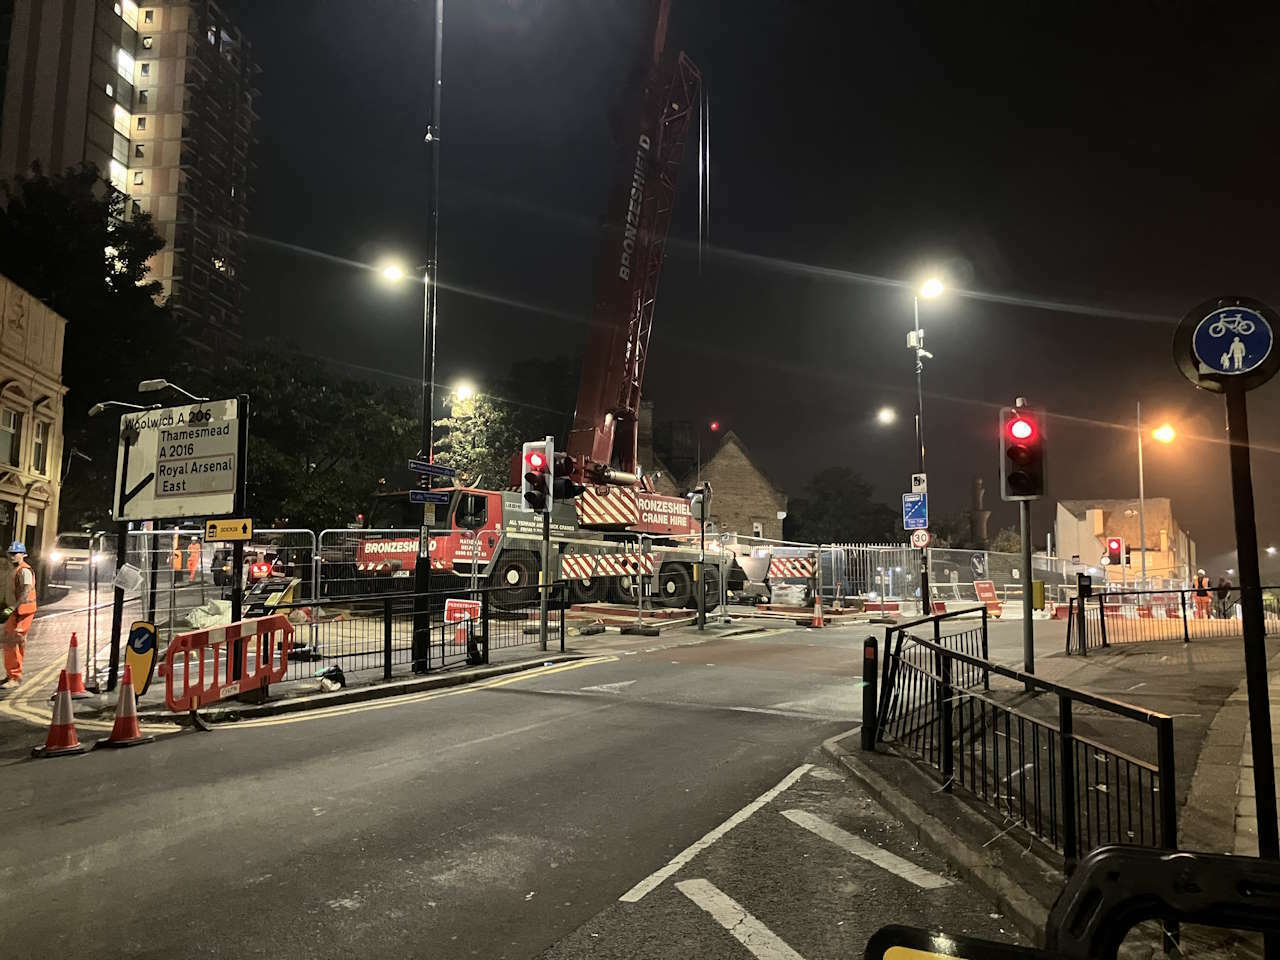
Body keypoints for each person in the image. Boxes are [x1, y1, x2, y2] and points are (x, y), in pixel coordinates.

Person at [1, 541, 37, 686]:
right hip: (13, 611)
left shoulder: (24, 571)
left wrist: (13, 607)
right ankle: (12, 675)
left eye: (15, 553)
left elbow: (26, 590)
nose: (12, 556)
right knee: (9, 641)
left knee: (14, 639)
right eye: (10, 553)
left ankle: (14, 677)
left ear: (23, 555)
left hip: (23, 611)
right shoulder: (12, 570)